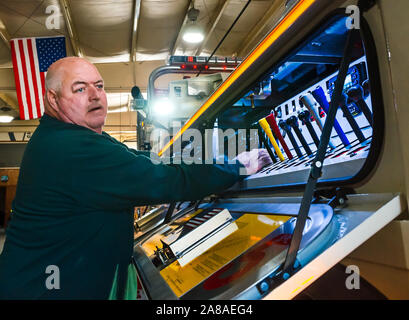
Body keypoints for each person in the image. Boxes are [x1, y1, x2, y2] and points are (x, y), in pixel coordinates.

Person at [0, 57, 271, 299]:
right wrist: (236, 167)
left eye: (100, 86)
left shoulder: (77, 137)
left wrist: (161, 186)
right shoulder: (69, 147)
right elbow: (162, 178)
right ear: (52, 99)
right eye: (80, 89)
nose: (95, 96)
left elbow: (146, 164)